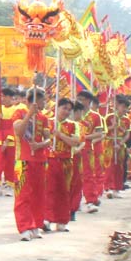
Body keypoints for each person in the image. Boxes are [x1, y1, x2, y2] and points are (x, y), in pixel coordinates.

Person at [14, 89, 51, 241]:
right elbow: (19, 132)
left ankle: (35, 224)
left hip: (40, 161)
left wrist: (40, 145)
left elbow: (49, 139)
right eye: (42, 101)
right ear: (32, 102)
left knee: (38, 195)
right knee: (23, 195)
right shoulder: (20, 114)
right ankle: (24, 227)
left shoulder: (43, 118)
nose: (44, 103)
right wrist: (29, 114)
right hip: (23, 161)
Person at [44, 98, 81, 232]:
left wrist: (60, 135)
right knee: (49, 190)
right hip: (50, 160)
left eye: (69, 110)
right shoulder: (48, 122)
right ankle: (47, 218)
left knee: (64, 191)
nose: (66, 112)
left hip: (66, 162)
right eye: (64, 108)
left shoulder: (73, 125)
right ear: (57, 107)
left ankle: (62, 220)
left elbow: (75, 142)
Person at [0, 88, 25, 197]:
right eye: (1, 96)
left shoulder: (17, 109)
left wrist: (8, 139)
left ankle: (10, 185)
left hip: (11, 137)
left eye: (4, 96)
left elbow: (14, 125)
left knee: (10, 163)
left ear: (10, 97)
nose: (2, 99)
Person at [75, 91, 104, 214]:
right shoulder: (73, 114)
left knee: (88, 175)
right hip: (72, 147)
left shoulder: (95, 116)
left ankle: (90, 200)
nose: (80, 101)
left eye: (82, 99)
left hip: (87, 148)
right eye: (78, 99)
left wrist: (85, 137)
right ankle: (74, 203)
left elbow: (100, 133)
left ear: (88, 100)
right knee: (74, 176)